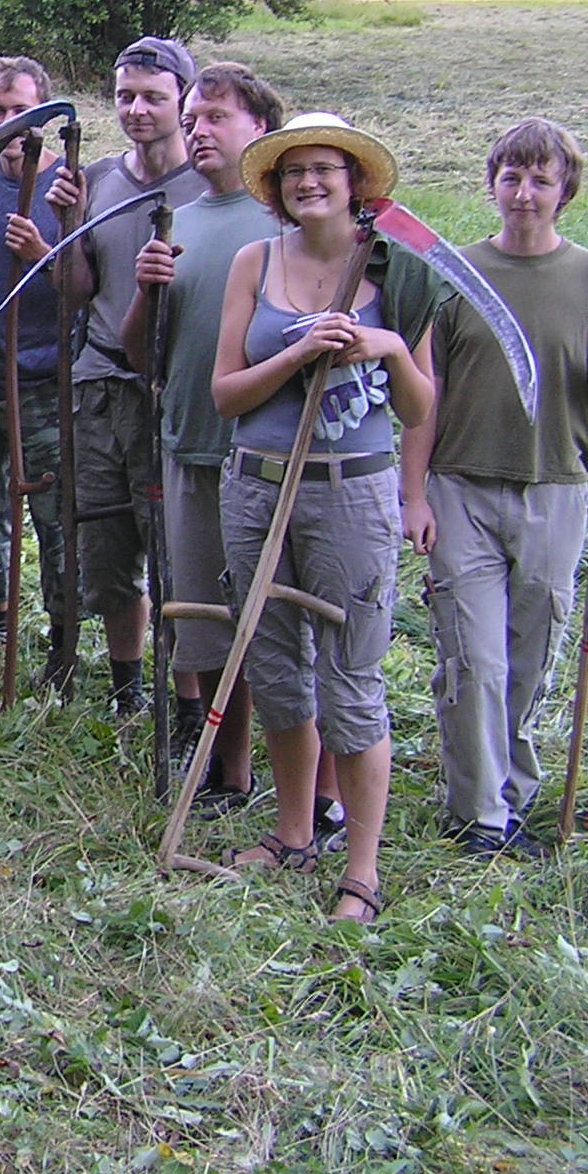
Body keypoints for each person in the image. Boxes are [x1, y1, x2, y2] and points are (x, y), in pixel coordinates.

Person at [211, 112, 441, 923]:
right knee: (273, 665)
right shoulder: (254, 259)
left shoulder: (394, 273)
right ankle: (291, 833)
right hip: (258, 483)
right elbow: (227, 393)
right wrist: (298, 354)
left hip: (351, 492)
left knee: (352, 677)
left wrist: (385, 348)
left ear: (354, 184)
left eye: (325, 171)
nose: (310, 183)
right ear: (276, 189)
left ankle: (362, 871)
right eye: (294, 172)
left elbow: (417, 408)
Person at [120, 63, 345, 835]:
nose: (197, 129)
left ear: (259, 133)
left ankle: (319, 786)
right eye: (193, 117)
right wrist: (147, 291)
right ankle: (232, 766)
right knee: (212, 619)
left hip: (271, 456)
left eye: (215, 116)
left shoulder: (283, 229)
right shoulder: (178, 221)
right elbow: (140, 356)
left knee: (282, 626)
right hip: (189, 443)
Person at [401, 119, 588, 858]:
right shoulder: (454, 274)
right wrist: (414, 496)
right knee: (474, 658)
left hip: (556, 489)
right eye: (511, 177)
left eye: (540, 179)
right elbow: (422, 394)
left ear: (565, 189)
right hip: (460, 488)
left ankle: (512, 790)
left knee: (530, 655)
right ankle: (478, 818)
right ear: (491, 183)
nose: (524, 193)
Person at [46, 36, 210, 711]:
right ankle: (126, 686)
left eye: (153, 97)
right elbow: (76, 289)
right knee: (107, 548)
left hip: (174, 393)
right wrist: (68, 225)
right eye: (124, 97)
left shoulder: (206, 186)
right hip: (99, 383)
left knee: (175, 550)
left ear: (184, 103)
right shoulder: (103, 180)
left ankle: (190, 699)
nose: (137, 110)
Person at [0, 56, 69, 680]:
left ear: (44, 116)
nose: (6, 122)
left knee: (53, 516)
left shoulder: (70, 185)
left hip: (44, 379)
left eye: (20, 111)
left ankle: (62, 641)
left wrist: (43, 253)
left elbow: (88, 284)